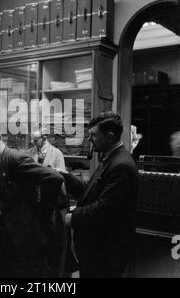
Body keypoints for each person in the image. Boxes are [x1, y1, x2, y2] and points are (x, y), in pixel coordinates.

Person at [0, 122, 64, 278]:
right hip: (0, 227)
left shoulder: (15, 159)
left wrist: (41, 213)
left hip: (18, 233)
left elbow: (54, 178)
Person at [59, 111, 138, 278]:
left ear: (109, 136)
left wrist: (71, 217)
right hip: (97, 252)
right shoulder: (110, 158)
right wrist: (65, 177)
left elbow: (105, 209)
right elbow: (90, 192)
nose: (89, 140)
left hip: (106, 254)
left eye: (93, 135)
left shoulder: (121, 166)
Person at [28, 127, 71, 277]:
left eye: (36, 140)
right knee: (38, 239)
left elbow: (62, 177)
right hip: (36, 201)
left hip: (52, 202)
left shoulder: (56, 153)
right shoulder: (31, 152)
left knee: (53, 240)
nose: (33, 142)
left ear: (44, 138)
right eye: (32, 139)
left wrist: (51, 171)